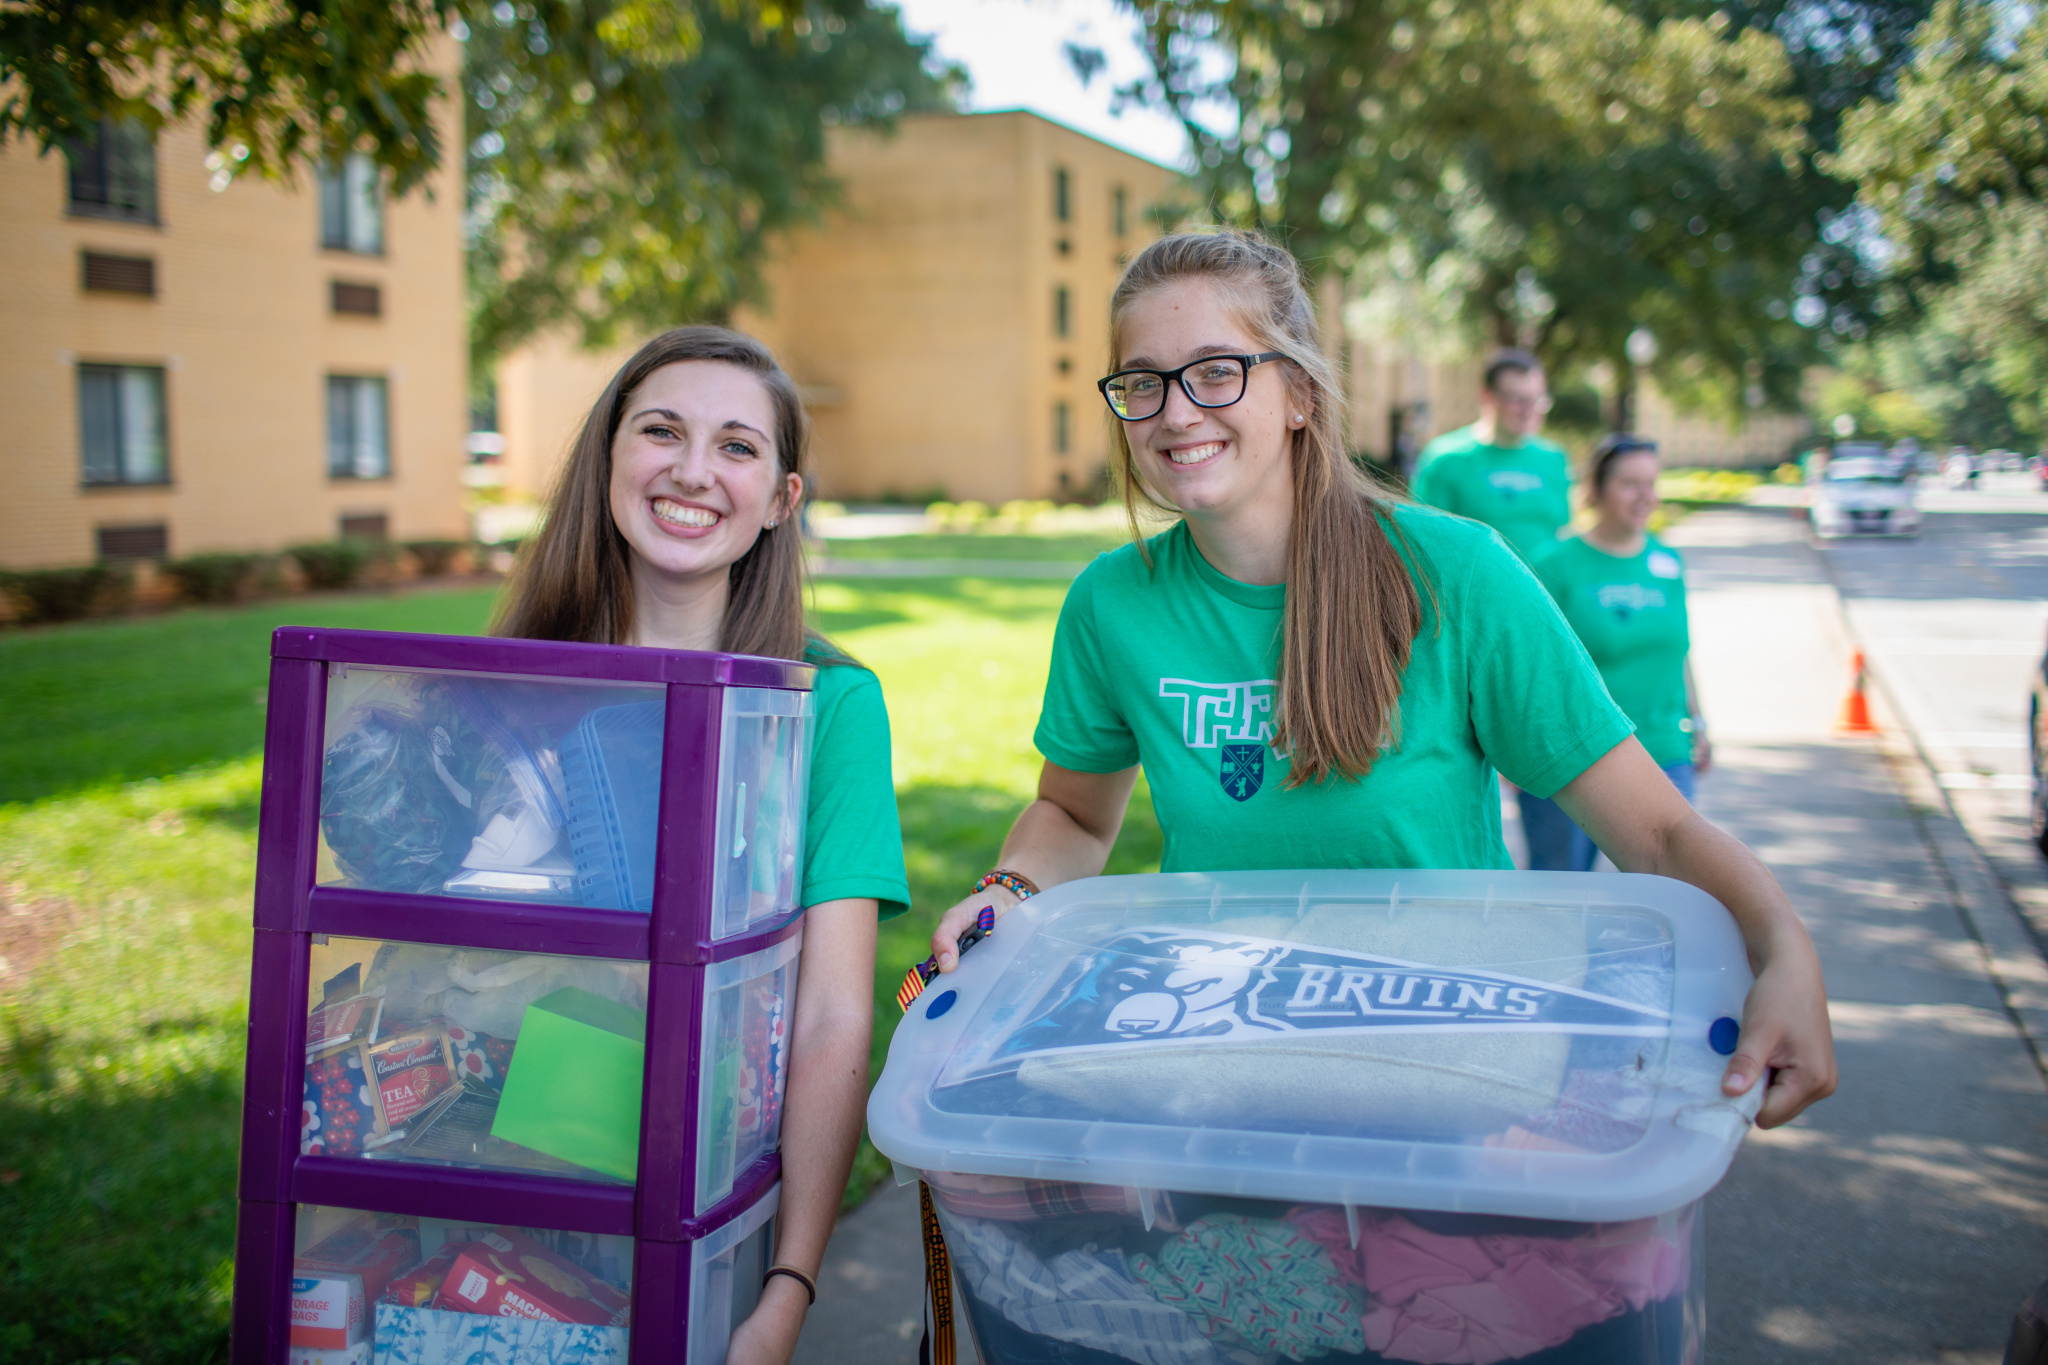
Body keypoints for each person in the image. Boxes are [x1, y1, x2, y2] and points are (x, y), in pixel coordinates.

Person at [927, 230, 1834, 1138]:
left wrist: (1781, 944)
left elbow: (1660, 829)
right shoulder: (1110, 605)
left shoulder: (1456, 573)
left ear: (1299, 393)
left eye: (1215, 371)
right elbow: (1076, 819)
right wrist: (1007, 890)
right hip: (1221, 1074)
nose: (1174, 412)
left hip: (1448, 1074)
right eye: (1142, 382)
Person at [494, 326, 909, 1365]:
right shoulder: (513, 683)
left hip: (711, 1182)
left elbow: (828, 1017)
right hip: (516, 1155)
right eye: (661, 431)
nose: (690, 470)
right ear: (607, 462)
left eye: (736, 446)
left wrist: (787, 1288)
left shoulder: (831, 706)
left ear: (780, 498)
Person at [1518, 433, 1710, 871]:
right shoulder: (1554, 564)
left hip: (1663, 748)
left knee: (1673, 891)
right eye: (1630, 484)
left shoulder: (1666, 562)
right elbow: (1532, 668)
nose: (1646, 497)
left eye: (1651, 483)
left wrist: (1697, 721)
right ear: (1598, 490)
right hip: (1576, 758)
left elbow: (1679, 651)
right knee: (1562, 896)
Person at [1409, 349, 1573, 564]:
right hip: (1477, 591)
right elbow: (1425, 540)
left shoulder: (1554, 458)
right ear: (1487, 397)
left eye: (1537, 399)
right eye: (1517, 399)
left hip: (1542, 591)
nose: (1529, 410)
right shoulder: (1446, 458)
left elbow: (1562, 533)